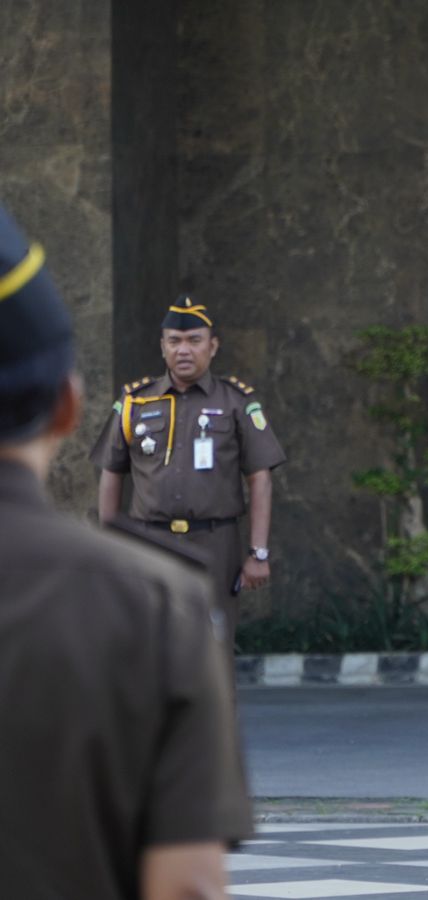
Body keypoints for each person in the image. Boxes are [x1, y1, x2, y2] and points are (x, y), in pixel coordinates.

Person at [0, 202, 253, 898]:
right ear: (67, 406)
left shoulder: (232, 404)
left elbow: (257, 474)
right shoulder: (151, 607)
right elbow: (187, 885)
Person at [90, 295, 287, 649]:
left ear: (212, 347)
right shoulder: (135, 402)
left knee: (212, 649)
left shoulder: (236, 402)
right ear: (163, 346)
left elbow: (260, 478)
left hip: (215, 543)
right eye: (175, 341)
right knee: (148, 648)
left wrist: (258, 553)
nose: (184, 350)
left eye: (194, 341)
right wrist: (109, 543)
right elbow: (111, 472)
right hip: (148, 542)